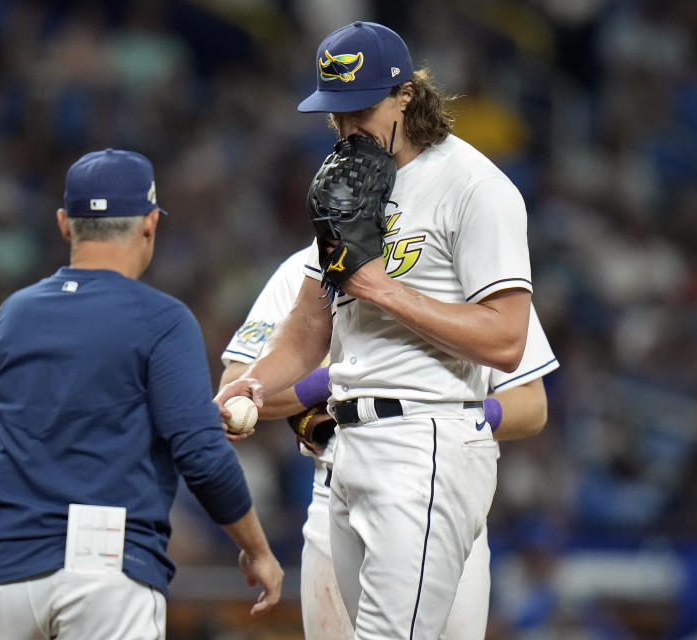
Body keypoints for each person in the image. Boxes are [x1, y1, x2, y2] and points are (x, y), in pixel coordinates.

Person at [215, 21, 533, 638]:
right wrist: (254, 385)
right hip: (347, 451)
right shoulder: (348, 182)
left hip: (426, 439)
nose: (345, 128)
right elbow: (309, 327)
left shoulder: (474, 186)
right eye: (334, 114)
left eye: (360, 110)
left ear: (407, 95)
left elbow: (506, 339)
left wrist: (377, 286)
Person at [0, 148, 283, 640]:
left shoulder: (13, 314)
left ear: (64, 224)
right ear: (150, 223)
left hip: (4, 570)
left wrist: (185, 414)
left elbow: (64, 410)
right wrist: (258, 549)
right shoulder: (162, 319)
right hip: (102, 567)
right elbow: (200, 455)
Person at [220, 248, 558, 639]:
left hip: (451, 493)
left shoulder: (470, 260)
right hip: (338, 496)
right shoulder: (307, 266)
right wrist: (345, 382)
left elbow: (532, 405)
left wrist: (447, 410)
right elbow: (237, 384)